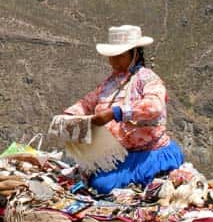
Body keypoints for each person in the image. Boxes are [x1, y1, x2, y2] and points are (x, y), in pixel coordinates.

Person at [64, 24, 183, 193]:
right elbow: (87, 103)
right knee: (98, 182)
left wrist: (116, 112)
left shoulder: (147, 79)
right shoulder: (109, 84)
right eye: (112, 57)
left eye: (119, 56)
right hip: (119, 155)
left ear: (134, 53)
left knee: (104, 186)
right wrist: (71, 114)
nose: (114, 61)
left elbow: (155, 106)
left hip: (148, 154)